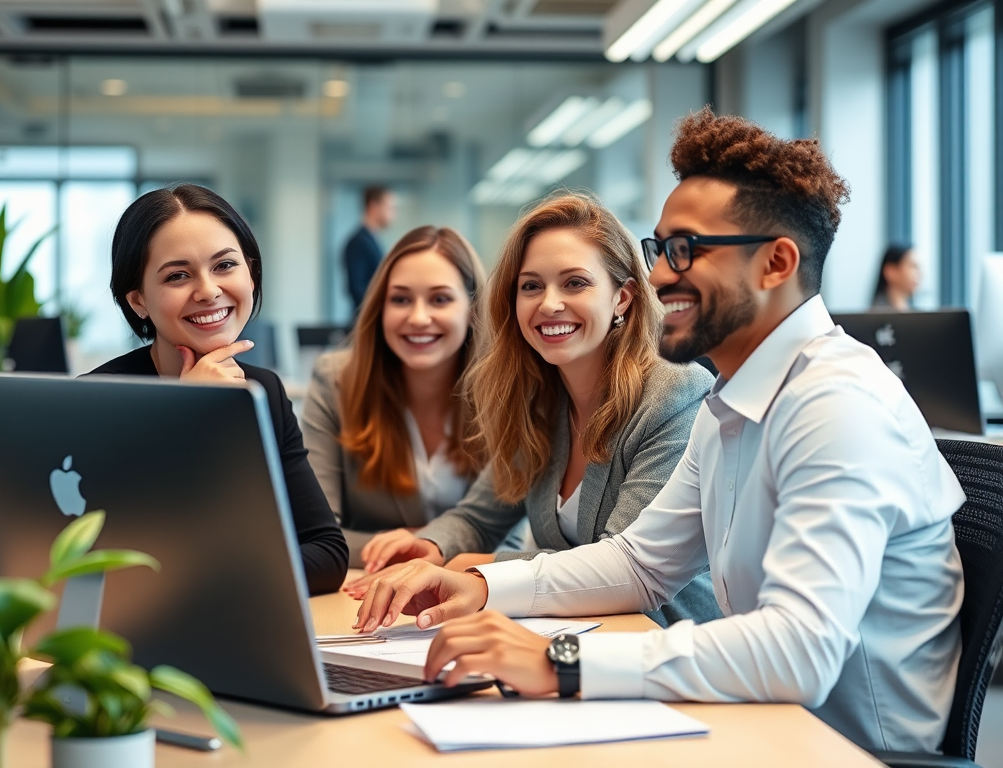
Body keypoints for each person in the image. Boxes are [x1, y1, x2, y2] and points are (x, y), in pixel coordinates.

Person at [351, 109, 965, 755]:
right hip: (755, 722)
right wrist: (479, 585)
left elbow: (800, 650)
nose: (658, 276)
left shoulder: (836, 406)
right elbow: (641, 563)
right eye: (659, 248)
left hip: (841, 747)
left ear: (776, 263)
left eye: (686, 251)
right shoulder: (736, 399)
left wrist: (560, 661)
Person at [347, 194, 720, 629]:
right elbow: (479, 515)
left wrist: (480, 567)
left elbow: (620, 566)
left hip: (667, 645)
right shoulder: (537, 399)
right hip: (568, 642)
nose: (548, 304)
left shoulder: (674, 393)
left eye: (575, 283)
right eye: (531, 286)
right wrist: (433, 546)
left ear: (623, 297)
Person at [88, 183, 349, 595]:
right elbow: (112, 566)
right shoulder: (96, 400)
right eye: (178, 275)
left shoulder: (263, 392)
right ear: (138, 300)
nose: (208, 290)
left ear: (251, 271)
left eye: (225, 266)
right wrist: (185, 420)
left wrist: (213, 574)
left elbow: (327, 554)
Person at [302, 225, 491, 568]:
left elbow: (505, 538)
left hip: (476, 599)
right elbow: (316, 536)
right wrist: (423, 545)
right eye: (401, 299)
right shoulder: (336, 381)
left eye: (440, 299)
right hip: (360, 596)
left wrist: (425, 543)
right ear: (380, 308)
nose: (418, 317)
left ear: (472, 308)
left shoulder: (502, 392)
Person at [343, 186, 397, 310]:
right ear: (374, 206)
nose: (394, 214)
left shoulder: (373, 240)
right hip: (367, 319)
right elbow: (357, 289)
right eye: (390, 208)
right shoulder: (359, 242)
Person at [871, 243, 920, 310]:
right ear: (890, 271)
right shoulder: (879, 315)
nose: (919, 274)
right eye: (913, 266)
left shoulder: (911, 311)